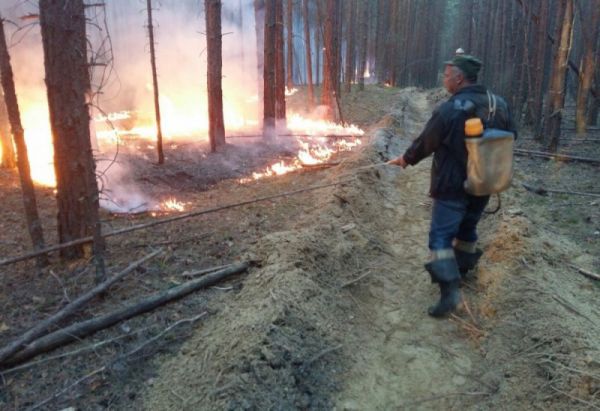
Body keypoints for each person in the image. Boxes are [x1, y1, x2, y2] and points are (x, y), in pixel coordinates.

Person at [387, 54, 517, 317]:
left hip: (452, 186)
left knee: (440, 238)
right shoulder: (499, 104)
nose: (444, 79)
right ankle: (463, 271)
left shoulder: (452, 108)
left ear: (459, 78)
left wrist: (405, 159)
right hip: (485, 182)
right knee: (467, 228)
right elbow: (513, 136)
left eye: (447, 75)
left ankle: (450, 294)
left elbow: (427, 141)